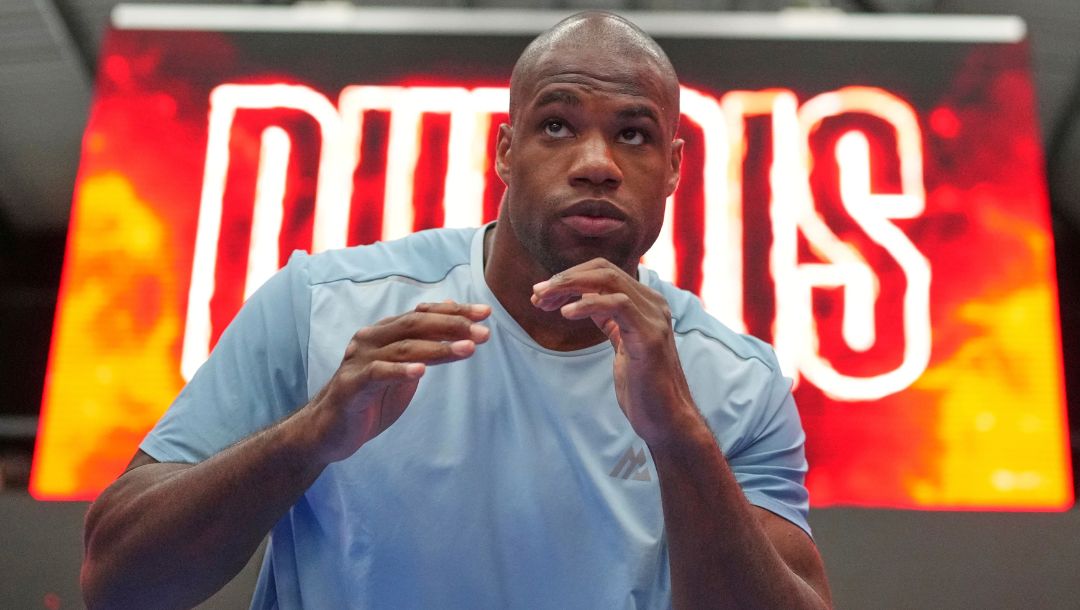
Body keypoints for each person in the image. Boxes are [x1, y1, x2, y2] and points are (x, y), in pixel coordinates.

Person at [81, 11, 832, 610]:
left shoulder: (736, 382)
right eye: (558, 125)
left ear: (672, 168)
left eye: (632, 134)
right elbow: (116, 583)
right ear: (506, 151)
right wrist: (309, 437)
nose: (596, 162)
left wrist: (681, 439)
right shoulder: (322, 309)